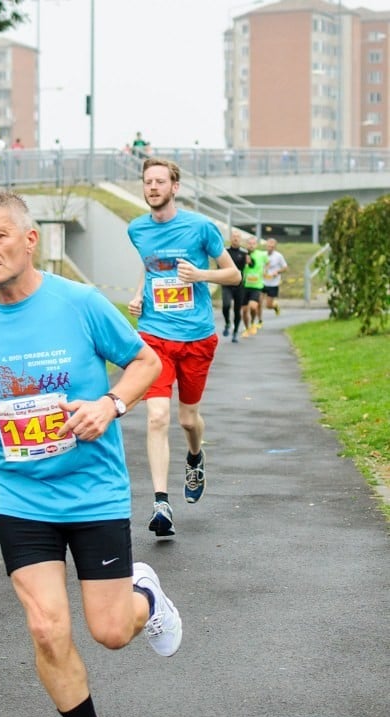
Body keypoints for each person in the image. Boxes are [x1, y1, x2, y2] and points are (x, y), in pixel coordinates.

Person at [0, 188, 182, 717]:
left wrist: (110, 404)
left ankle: (143, 596)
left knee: (110, 632)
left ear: (29, 238)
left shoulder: (79, 304)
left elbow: (145, 363)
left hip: (92, 493)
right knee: (46, 629)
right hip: (22, 499)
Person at [127, 158, 241, 538]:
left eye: (160, 181)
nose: (153, 187)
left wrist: (201, 274)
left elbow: (234, 273)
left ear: (175, 187)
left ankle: (195, 457)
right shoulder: (136, 229)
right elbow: (150, 266)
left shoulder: (200, 228)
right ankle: (161, 503)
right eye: (148, 182)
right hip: (154, 336)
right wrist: (139, 294)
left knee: (187, 420)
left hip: (195, 336)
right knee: (156, 416)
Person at [221, 229, 247, 343]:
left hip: (239, 284)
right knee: (226, 305)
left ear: (240, 239)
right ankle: (227, 322)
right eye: (234, 236)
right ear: (230, 238)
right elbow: (219, 264)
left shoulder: (244, 252)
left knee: (237, 310)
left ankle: (235, 332)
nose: (235, 238)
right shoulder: (224, 251)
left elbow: (252, 265)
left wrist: (251, 262)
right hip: (227, 283)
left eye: (238, 237)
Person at [240, 236, 267, 337]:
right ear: (246, 244)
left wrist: (265, 271)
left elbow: (268, 263)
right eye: (249, 243)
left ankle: (252, 323)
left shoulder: (261, 254)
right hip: (244, 285)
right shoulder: (242, 254)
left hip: (256, 285)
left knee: (253, 307)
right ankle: (247, 328)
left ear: (256, 245)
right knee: (244, 310)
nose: (251, 245)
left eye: (253, 243)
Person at [262, 237, 288, 316]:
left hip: (273, 283)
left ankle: (275, 306)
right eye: (269, 246)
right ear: (266, 246)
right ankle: (258, 320)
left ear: (275, 247)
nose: (270, 248)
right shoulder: (262, 254)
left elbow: (285, 267)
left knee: (268, 305)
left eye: (272, 247)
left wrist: (277, 272)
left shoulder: (279, 256)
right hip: (262, 282)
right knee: (257, 302)